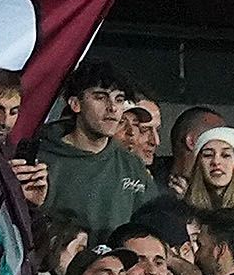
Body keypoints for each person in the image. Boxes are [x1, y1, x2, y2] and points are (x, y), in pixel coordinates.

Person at [37, 62, 154, 233]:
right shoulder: (42, 160)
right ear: (75, 104)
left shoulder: (133, 166)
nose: (112, 108)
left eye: (119, 99)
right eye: (100, 97)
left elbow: (150, 228)